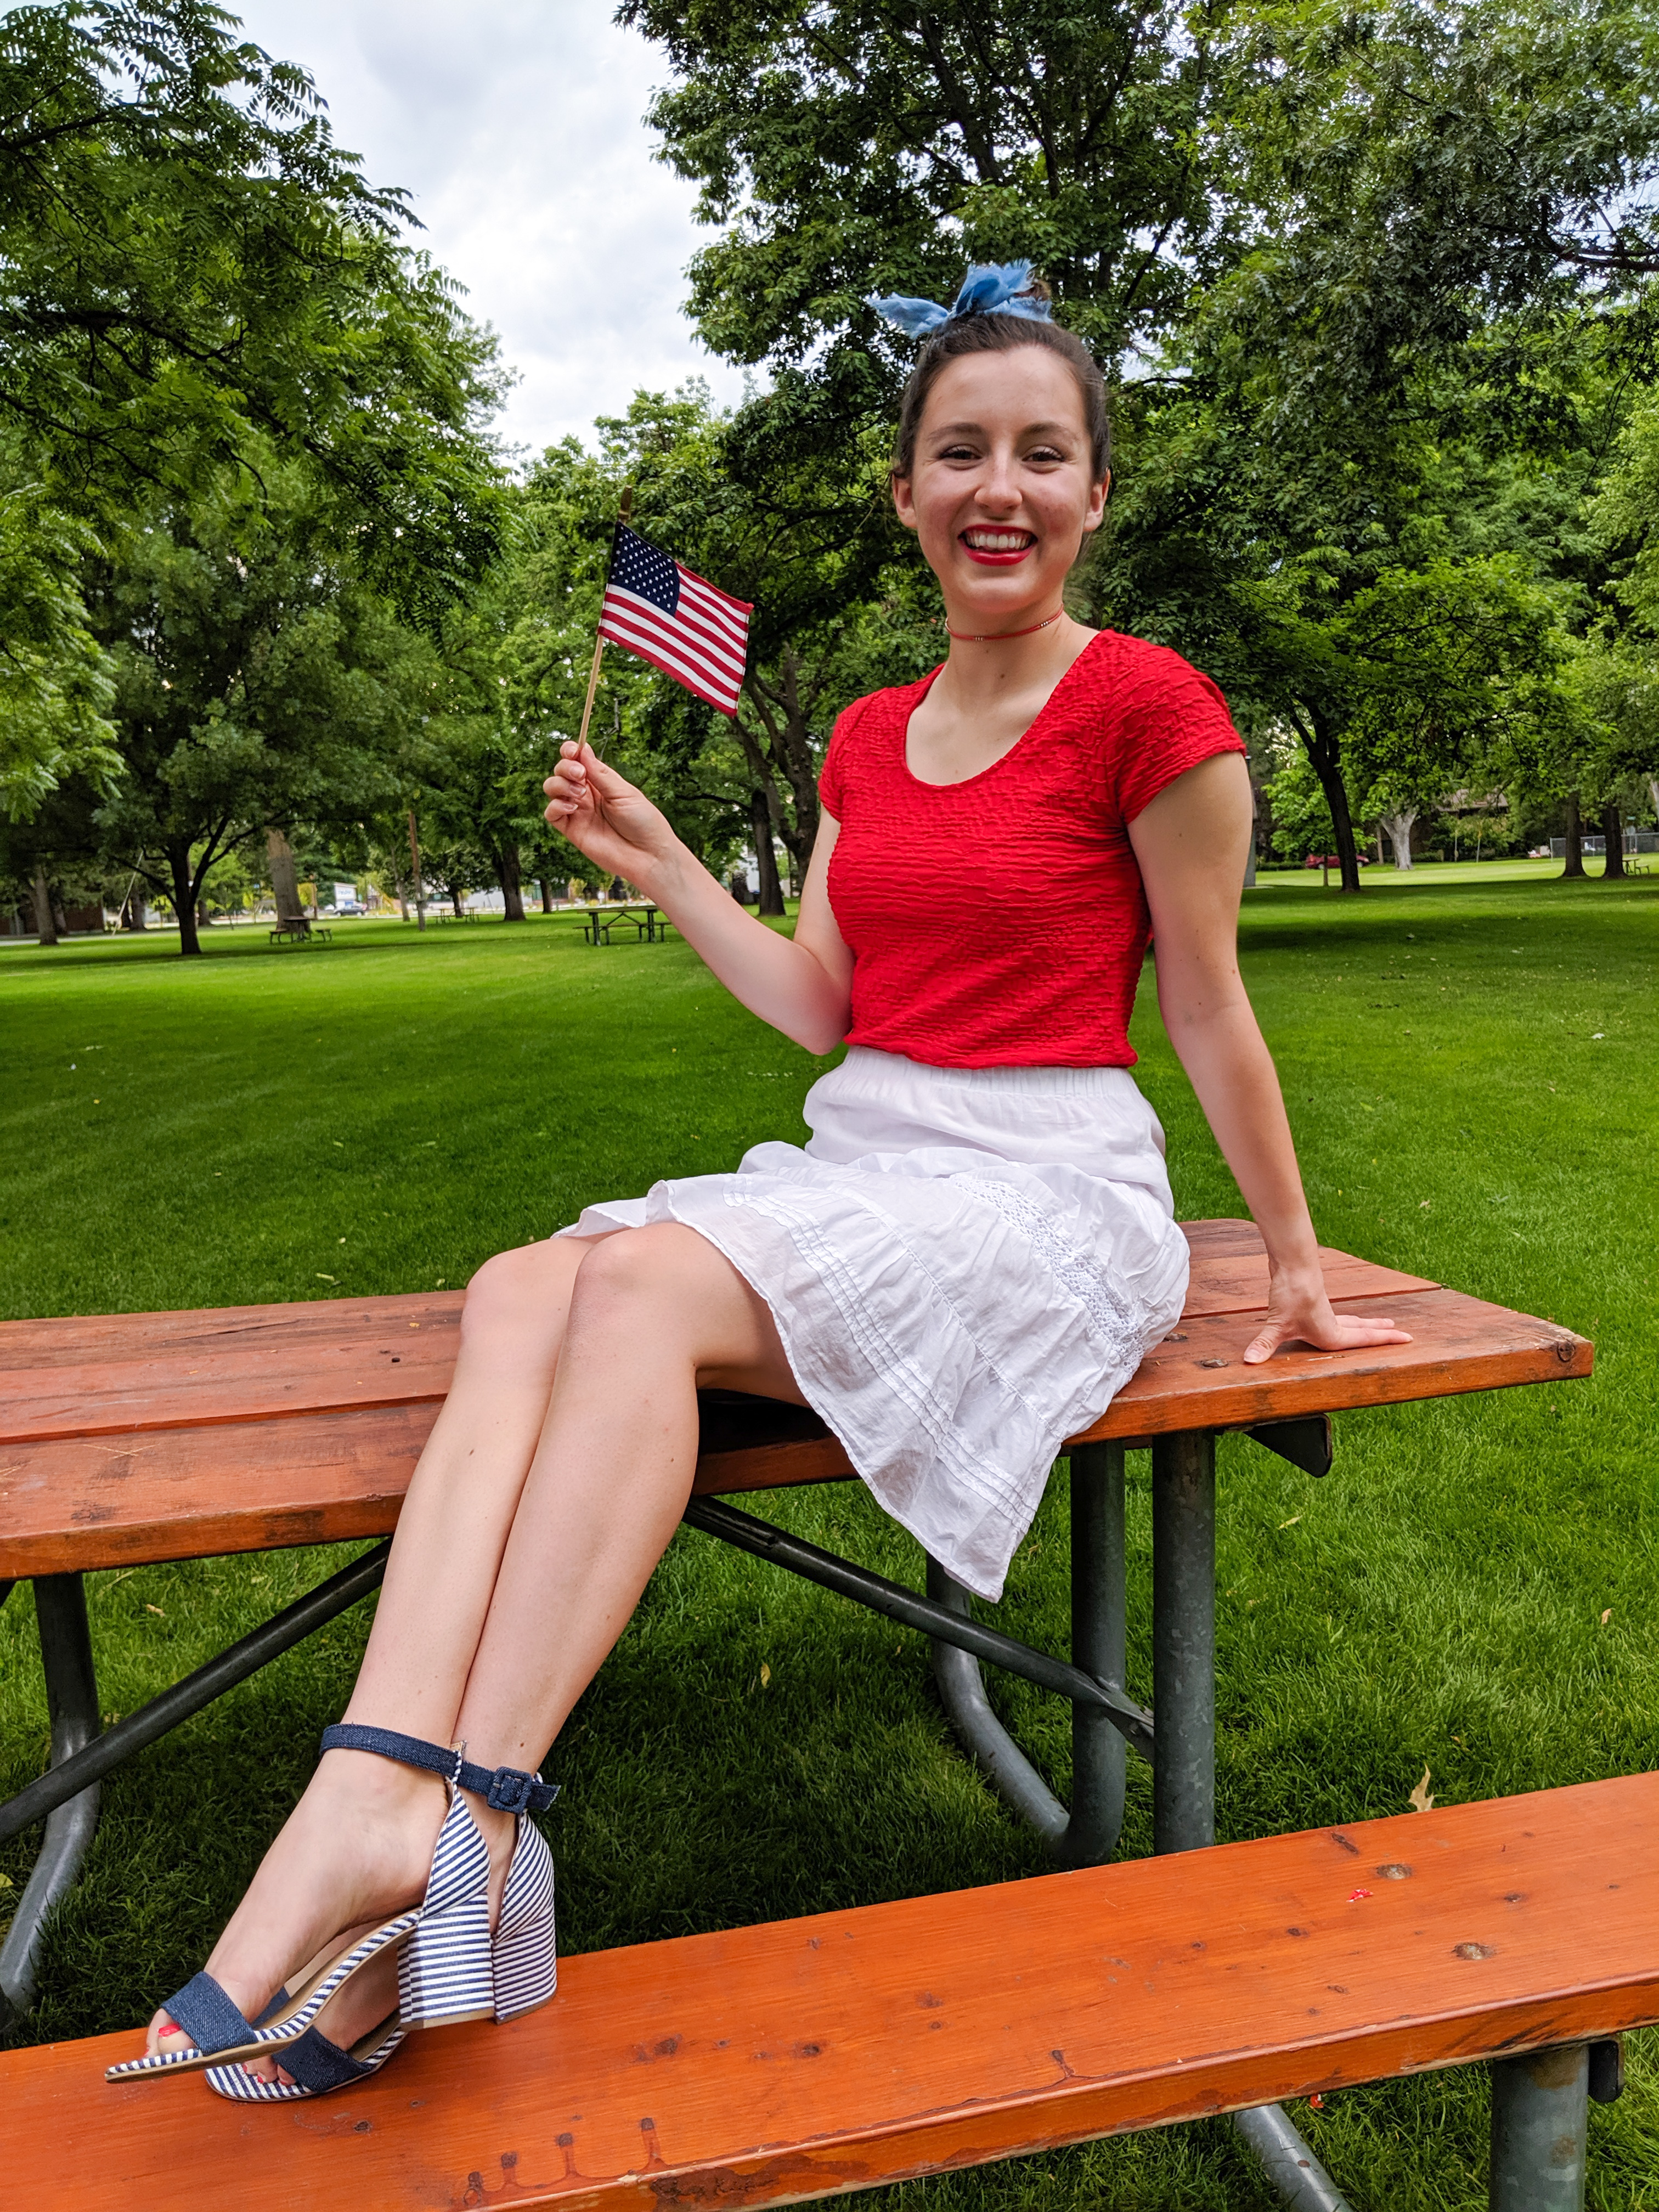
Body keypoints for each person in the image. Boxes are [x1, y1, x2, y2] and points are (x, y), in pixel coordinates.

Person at [112, 261, 1409, 2100]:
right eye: (961, 451)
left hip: (1049, 1183)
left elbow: (1205, 1007)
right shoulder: (869, 737)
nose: (1001, 488)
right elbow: (824, 1008)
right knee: (517, 1285)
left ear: (1095, 495)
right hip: (874, 1148)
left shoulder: (1150, 710)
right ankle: (378, 1790)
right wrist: (657, 860)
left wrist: (1283, 1258)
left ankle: (453, 1823)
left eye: (1045, 454)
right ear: (907, 495)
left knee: (631, 1287)